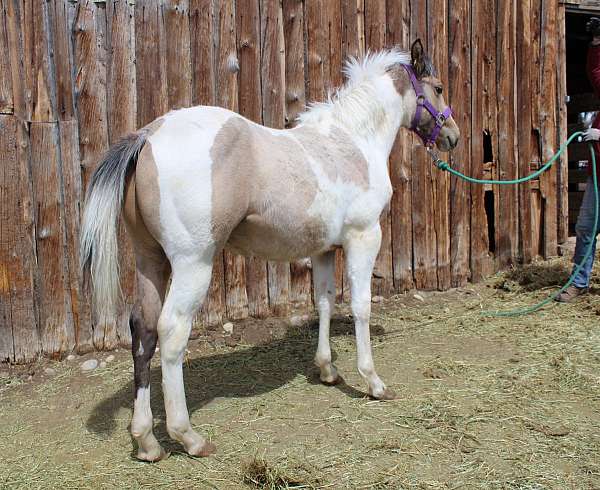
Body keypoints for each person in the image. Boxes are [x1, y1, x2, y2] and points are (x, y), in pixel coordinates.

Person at [556, 17, 600, 302]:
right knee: (585, 227)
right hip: (598, 176)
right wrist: (595, 44)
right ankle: (580, 282)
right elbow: (596, 75)